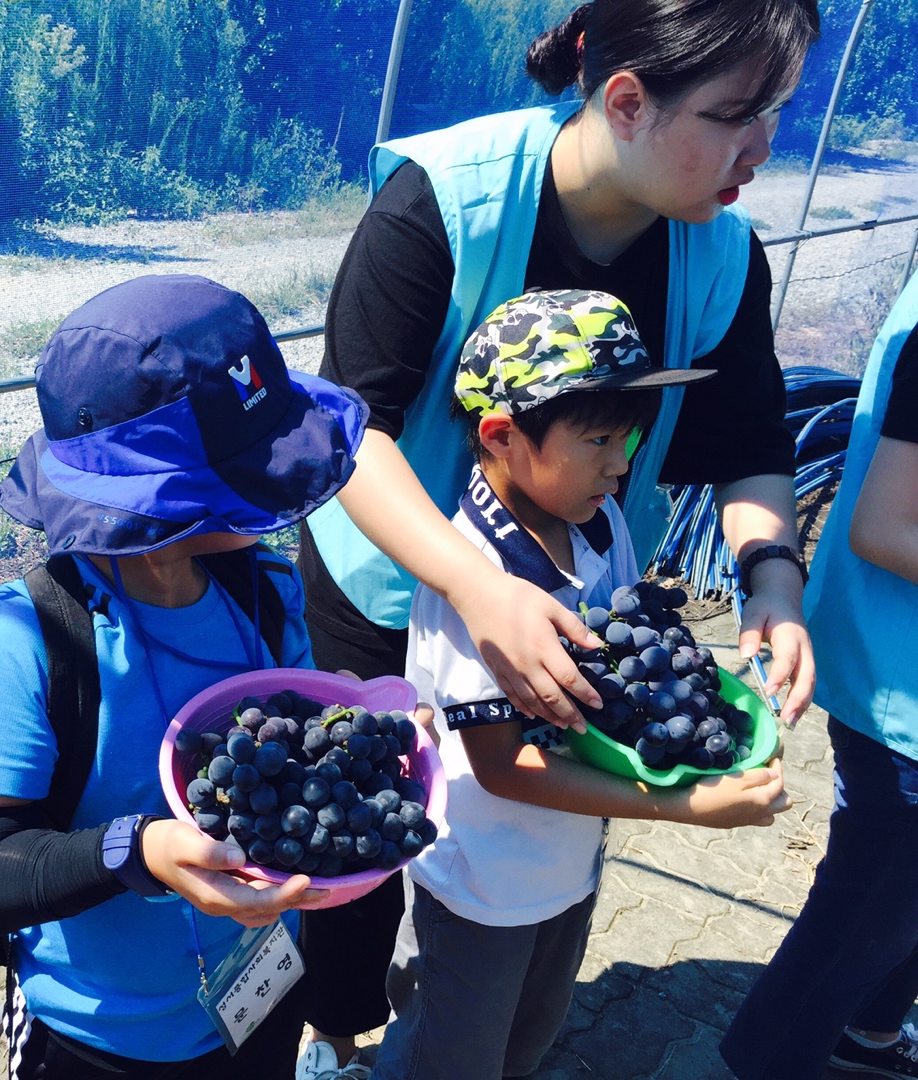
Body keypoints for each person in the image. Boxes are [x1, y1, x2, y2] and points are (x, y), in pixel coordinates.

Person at [295, 3, 820, 1072]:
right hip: (397, 583)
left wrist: (772, 576)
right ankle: (340, 1026)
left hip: (565, 582)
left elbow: (751, 435)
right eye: (736, 115)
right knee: (361, 828)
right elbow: (350, 431)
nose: (761, 149)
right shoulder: (444, 203)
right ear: (626, 100)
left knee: (525, 792)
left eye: (774, 112)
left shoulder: (721, 253)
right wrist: (475, 588)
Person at [0, 273, 369, 1078]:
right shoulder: (32, 640)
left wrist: (366, 746)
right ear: (163, 508)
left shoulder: (267, 592)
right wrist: (134, 851)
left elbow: (306, 745)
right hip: (98, 1039)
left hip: (262, 990)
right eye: (252, 480)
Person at [374, 288, 790, 1080]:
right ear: (502, 436)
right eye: (598, 437)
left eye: (629, 433)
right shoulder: (478, 584)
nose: (623, 461)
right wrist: (681, 804)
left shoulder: (600, 520)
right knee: (449, 1055)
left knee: (528, 1040)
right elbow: (500, 765)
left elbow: (628, 660)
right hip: (479, 887)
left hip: (570, 862)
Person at [719, 274, 918, 1079]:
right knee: (863, 916)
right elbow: (884, 525)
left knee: (896, 902)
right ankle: (763, 1063)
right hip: (901, 693)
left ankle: (866, 1032)